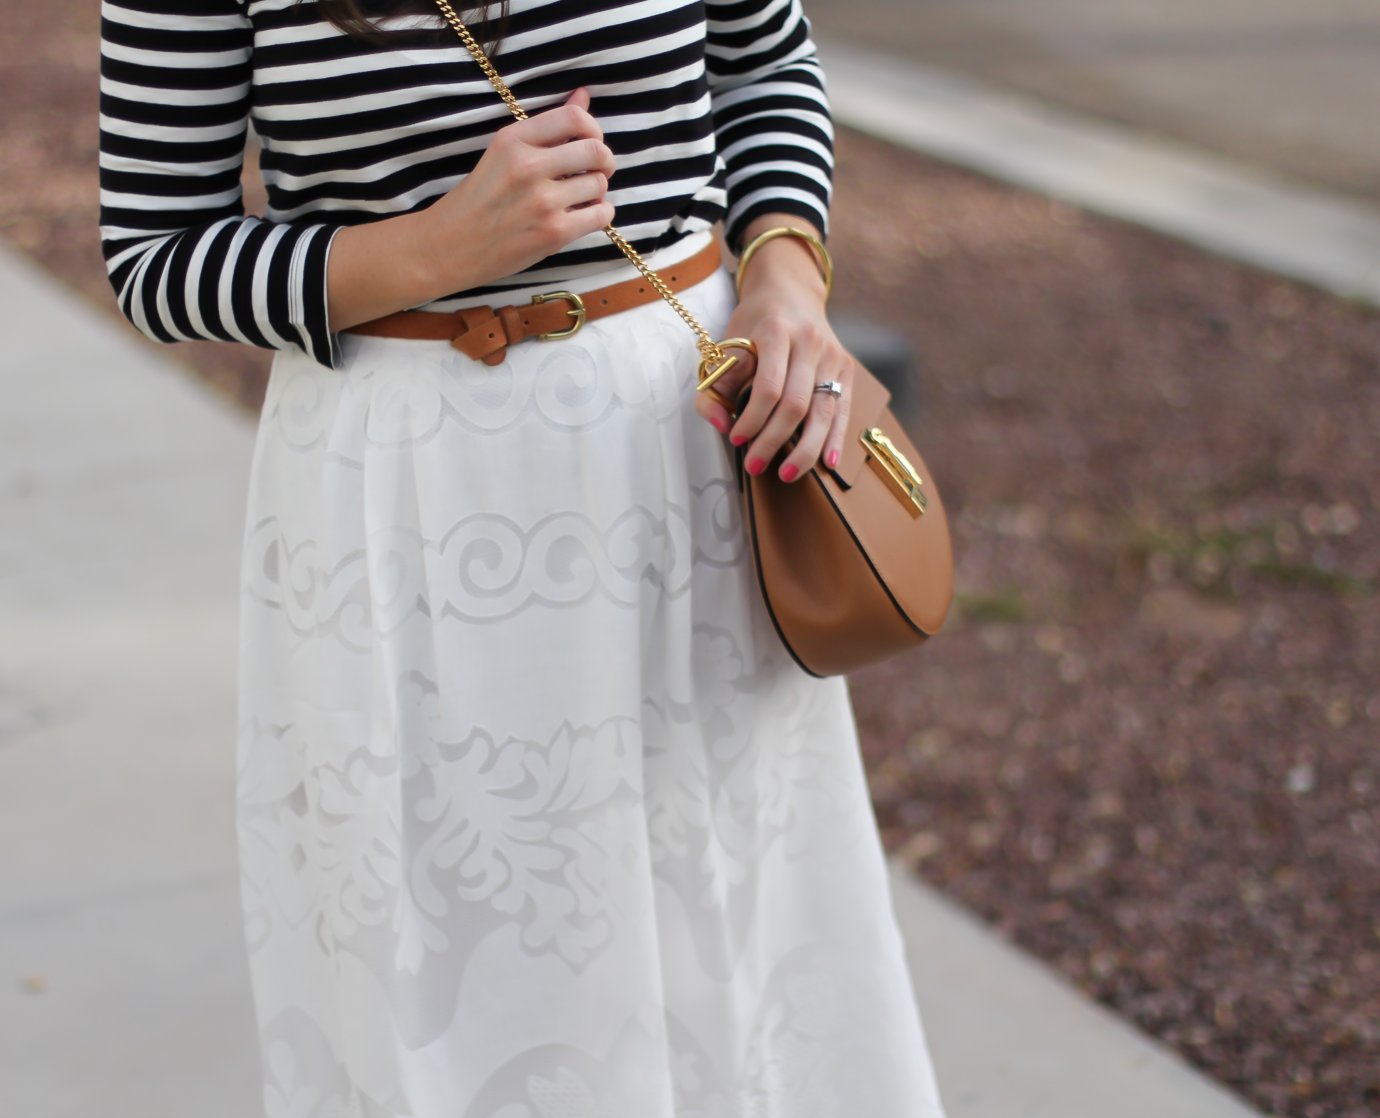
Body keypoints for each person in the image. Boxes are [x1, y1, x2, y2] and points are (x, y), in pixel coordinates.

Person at [98, 1, 944, 1114]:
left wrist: (785, 278)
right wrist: (431, 249)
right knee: (458, 980)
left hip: (682, 464)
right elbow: (154, 257)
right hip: (405, 500)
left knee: (730, 954)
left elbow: (763, 63)